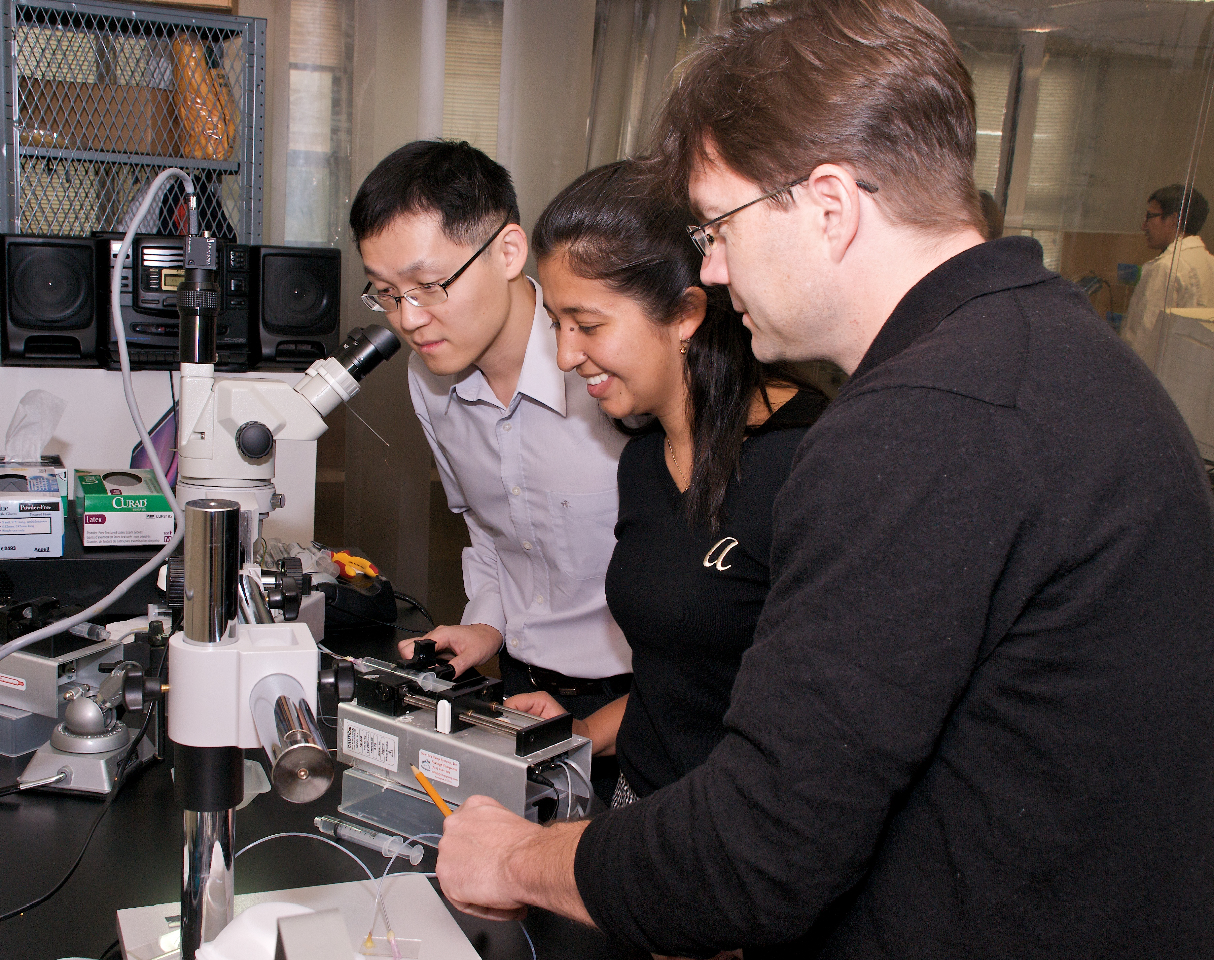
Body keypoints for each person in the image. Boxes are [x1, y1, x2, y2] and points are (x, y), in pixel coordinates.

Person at [433, 3, 1214, 958]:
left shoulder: (918, 424)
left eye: (718, 224)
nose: (712, 269)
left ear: (831, 205)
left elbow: (753, 853)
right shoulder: (1058, 357)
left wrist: (516, 859)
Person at [507, 161, 828, 806]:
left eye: (588, 326)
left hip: (728, 832)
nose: (567, 356)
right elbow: (676, 682)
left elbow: (811, 739)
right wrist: (580, 733)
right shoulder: (644, 464)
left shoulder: (807, 462)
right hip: (638, 805)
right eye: (558, 325)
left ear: (685, 313)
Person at [348, 140, 632, 802]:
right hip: (526, 684)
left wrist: (602, 725)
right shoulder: (431, 380)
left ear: (507, 252)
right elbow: (492, 531)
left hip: (639, 697)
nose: (410, 320)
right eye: (387, 295)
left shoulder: (608, 371)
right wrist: (487, 625)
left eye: (430, 286)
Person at [1120, 183, 1214, 368]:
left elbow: (1143, 341)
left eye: (1150, 216)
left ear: (1174, 220)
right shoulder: (1209, 262)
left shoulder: (1166, 268)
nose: (1143, 226)